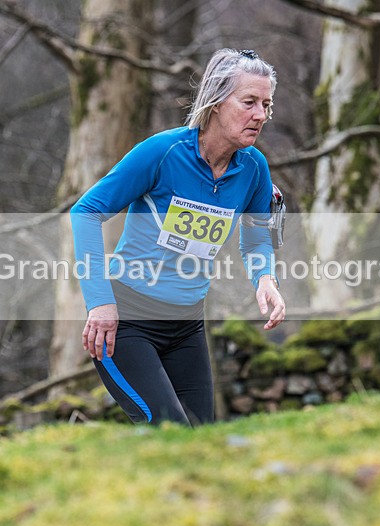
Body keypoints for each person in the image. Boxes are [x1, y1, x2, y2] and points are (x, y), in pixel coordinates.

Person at [70, 48, 285, 426]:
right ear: (216, 102)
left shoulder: (254, 168)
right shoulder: (162, 152)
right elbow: (85, 212)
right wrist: (99, 303)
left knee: (199, 442)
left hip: (187, 326)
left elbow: (256, 238)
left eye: (266, 104)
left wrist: (265, 279)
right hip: (128, 322)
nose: (260, 115)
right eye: (249, 102)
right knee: (171, 430)